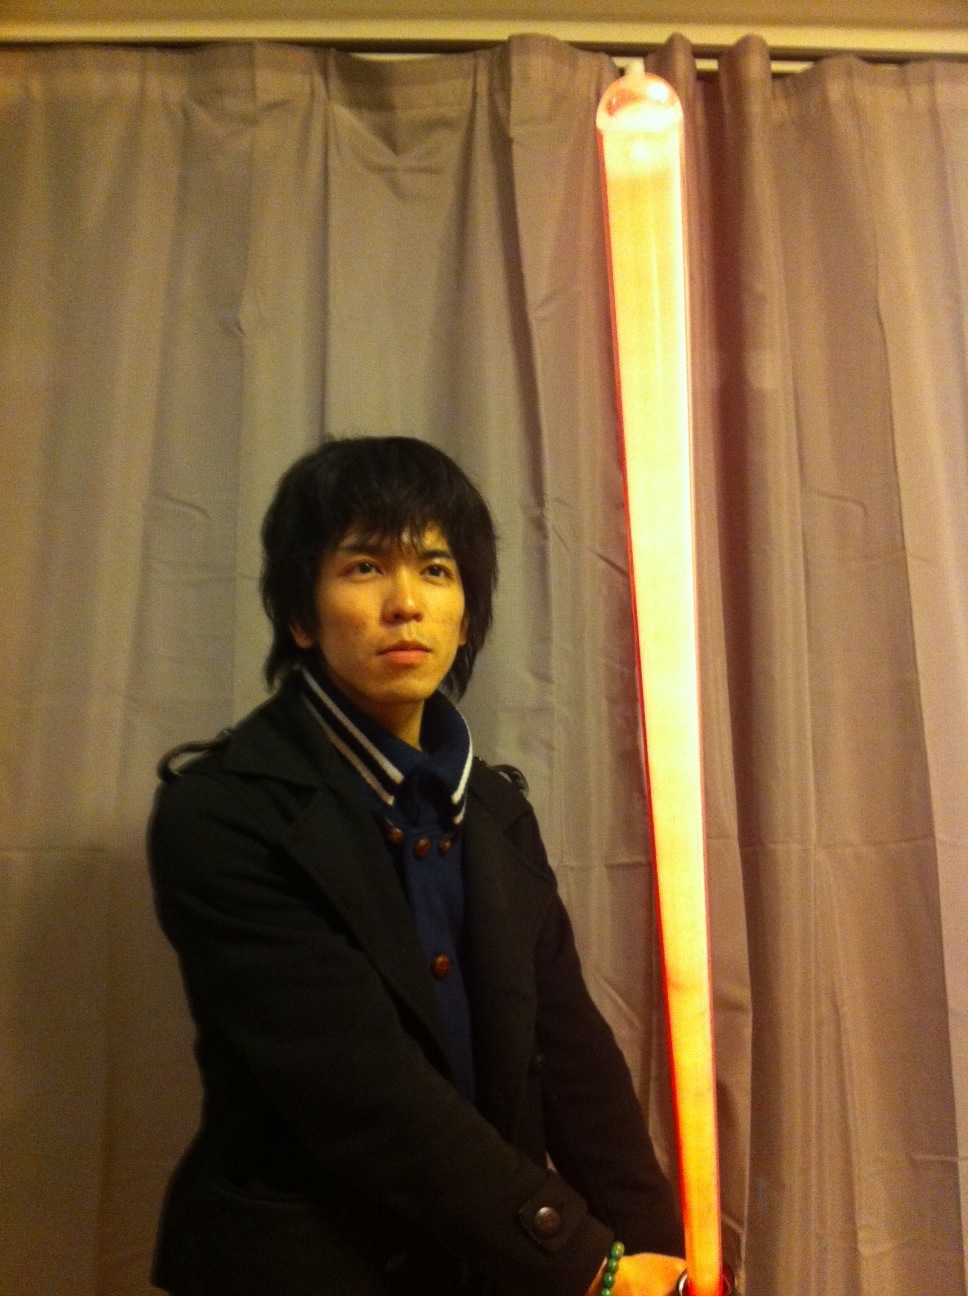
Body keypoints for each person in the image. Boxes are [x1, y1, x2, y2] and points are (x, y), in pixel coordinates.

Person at [148, 436, 687, 1296]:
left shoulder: (496, 809)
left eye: (436, 570)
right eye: (365, 567)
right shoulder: (223, 815)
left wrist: (663, 1257)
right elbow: (360, 1089)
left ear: (465, 614)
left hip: (491, 1262)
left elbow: (571, 1056)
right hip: (306, 1269)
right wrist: (592, 1265)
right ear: (301, 616)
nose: (406, 603)